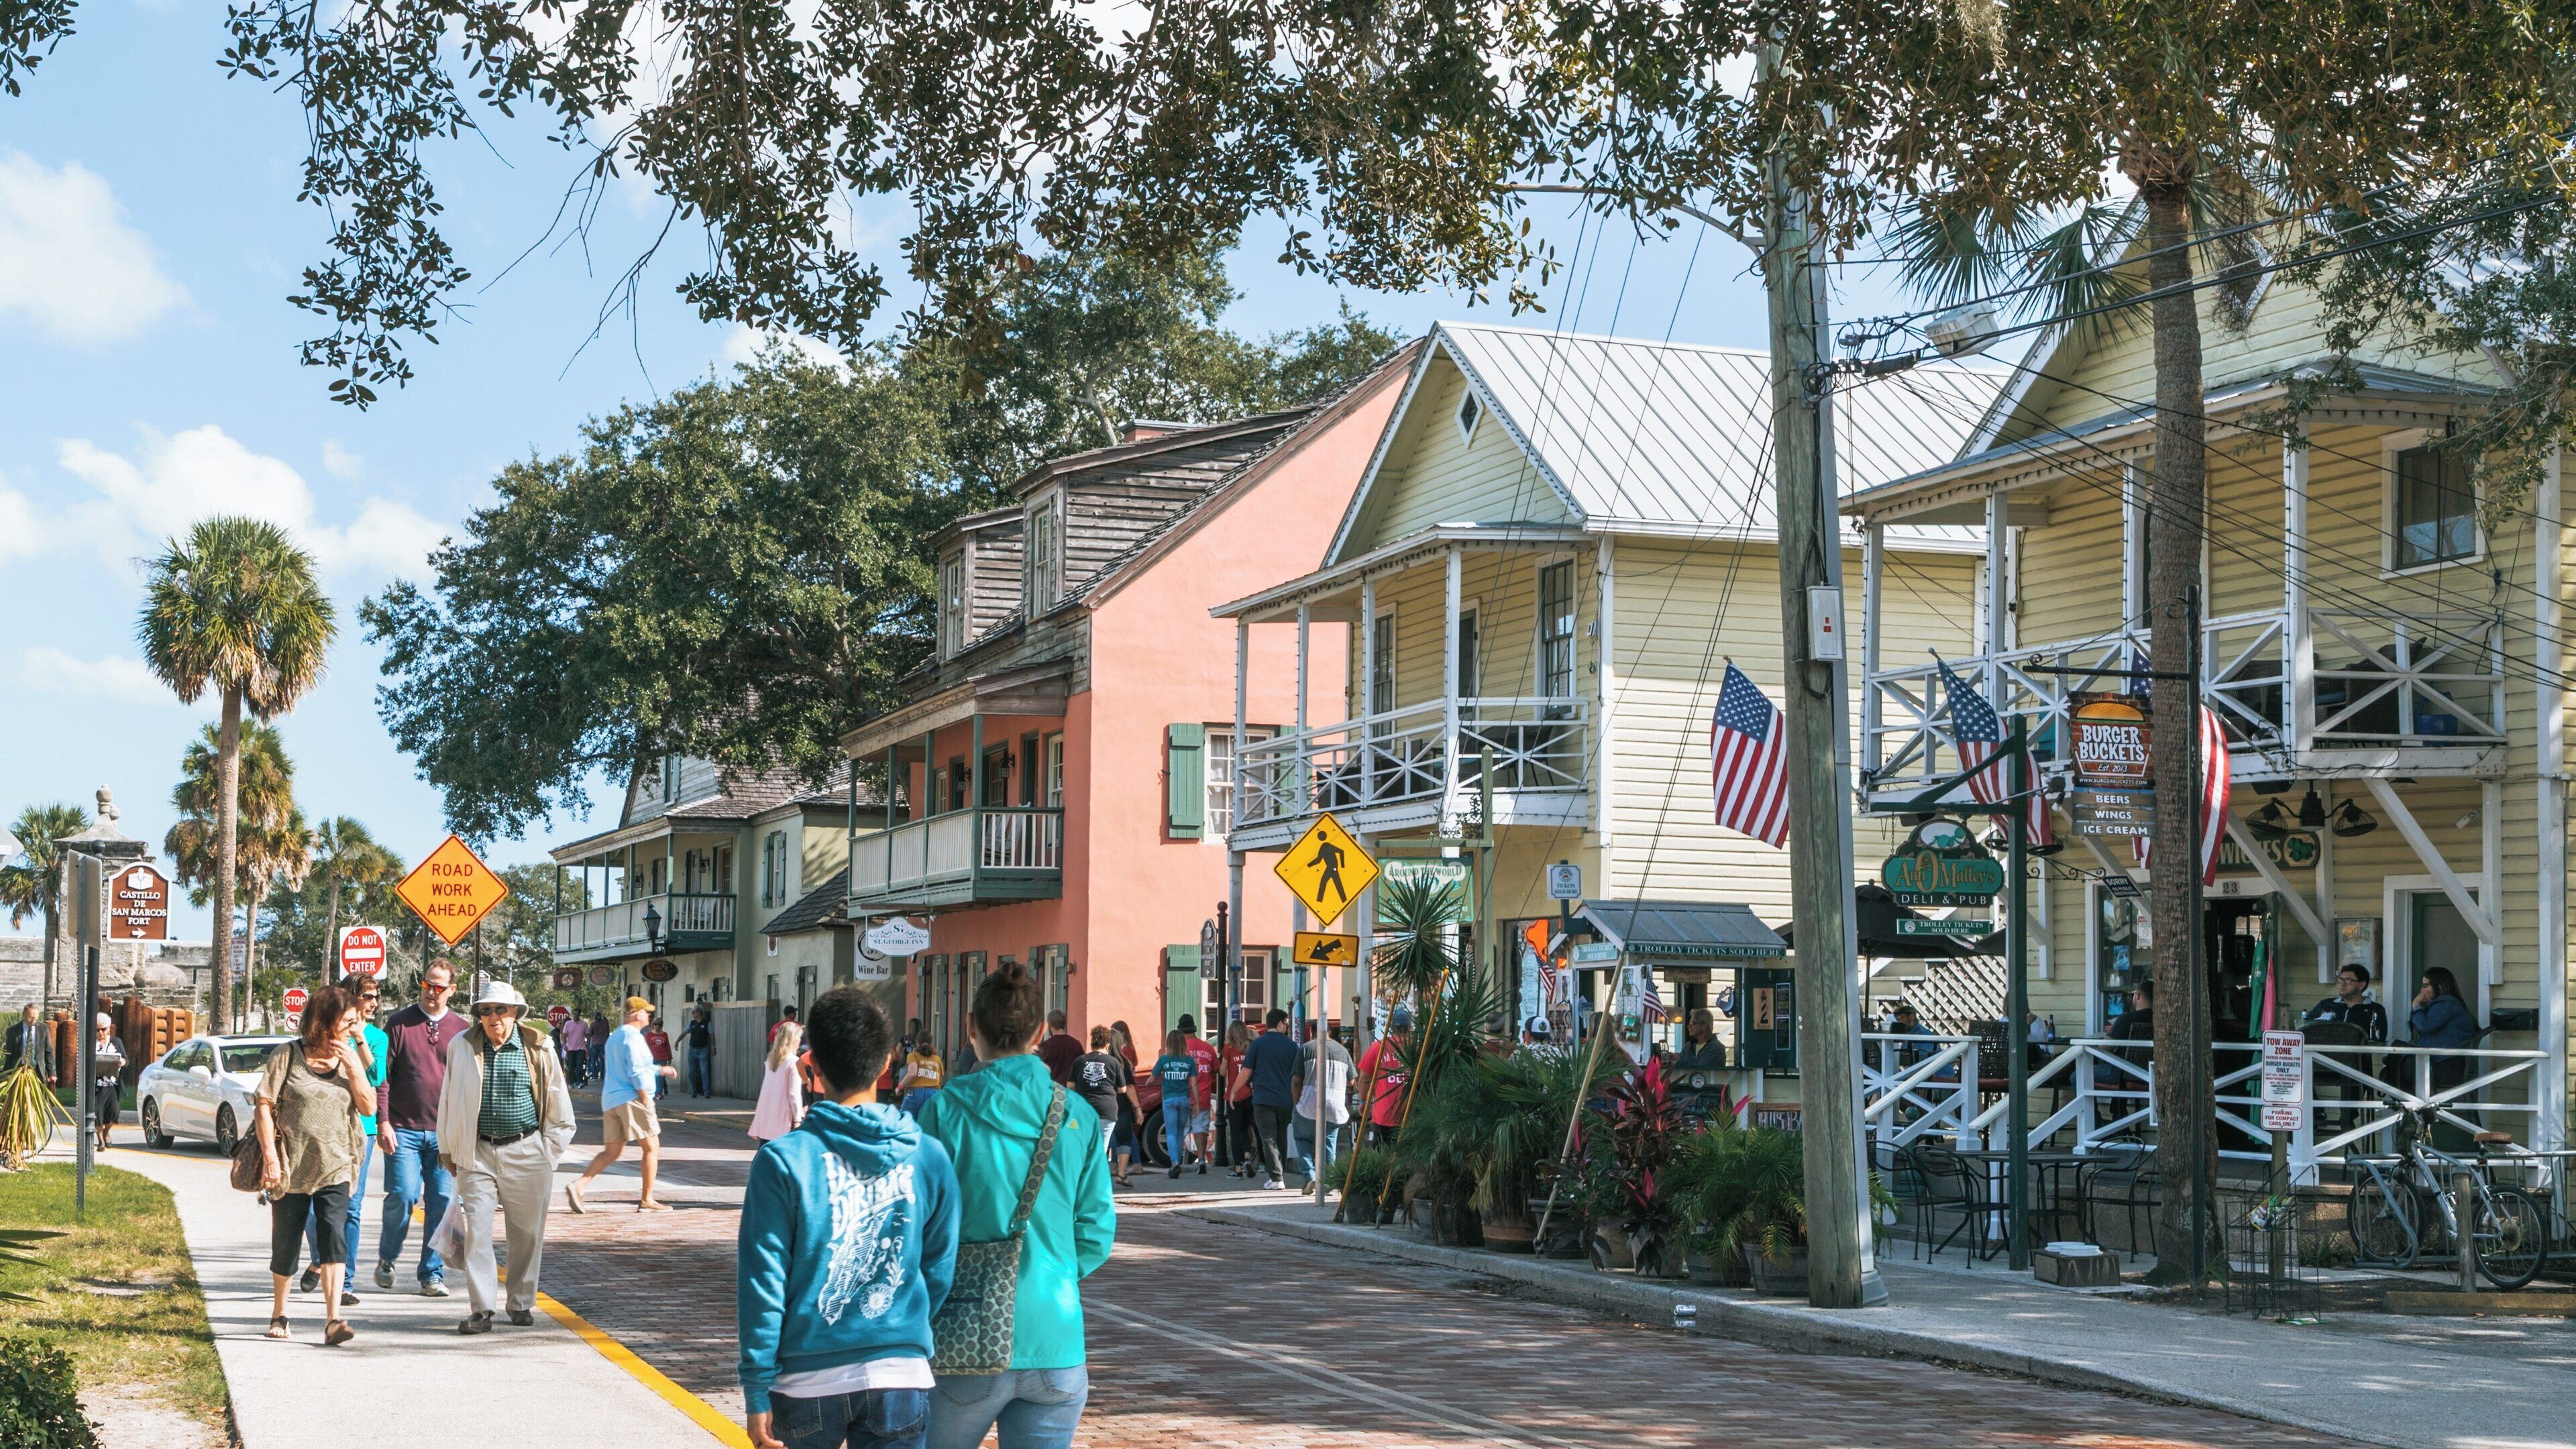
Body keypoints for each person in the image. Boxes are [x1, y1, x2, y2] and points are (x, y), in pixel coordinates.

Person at [737, 987, 961, 1449]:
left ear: (813, 1065)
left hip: (804, 1381)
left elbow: (764, 1284)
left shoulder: (782, 1161)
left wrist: (757, 1386)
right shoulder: (929, 1155)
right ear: (885, 1066)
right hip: (899, 1371)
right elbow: (938, 1269)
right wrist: (900, 1321)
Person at [916, 962, 1114, 1449]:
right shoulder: (1077, 1114)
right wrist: (1051, 1271)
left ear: (970, 1027)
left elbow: (918, 1228)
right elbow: (1095, 1232)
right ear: (1041, 1033)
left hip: (963, 1337)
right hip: (1056, 1336)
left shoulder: (944, 1110)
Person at [437, 980, 576, 1334]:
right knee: (478, 1234)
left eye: (501, 1009)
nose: (493, 1017)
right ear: (479, 1015)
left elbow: (560, 1104)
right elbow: (448, 1099)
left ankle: (520, 1302)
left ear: (515, 1012)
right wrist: (447, 1147)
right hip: (478, 1152)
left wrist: (550, 1153)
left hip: (527, 1149)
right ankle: (482, 1310)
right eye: (486, 1010)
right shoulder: (461, 1045)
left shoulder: (540, 1047)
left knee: (526, 1234)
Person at [254, 983, 372, 1346]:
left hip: (336, 1164)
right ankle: (280, 1312)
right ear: (323, 1022)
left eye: (355, 1022)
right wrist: (271, 1159)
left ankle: (334, 1319)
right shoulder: (287, 1056)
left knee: (333, 1235)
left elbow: (369, 1108)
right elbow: (264, 1106)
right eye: (347, 1022)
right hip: (291, 1166)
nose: (353, 1029)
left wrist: (354, 1067)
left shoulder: (351, 1059)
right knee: (286, 1242)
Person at [376, 959, 471, 1296]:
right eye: (428, 985)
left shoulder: (462, 1029)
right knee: (402, 1197)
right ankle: (387, 1257)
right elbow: (383, 1078)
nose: (433, 992)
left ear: (452, 990)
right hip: (403, 1128)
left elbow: (467, 1083)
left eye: (440, 987)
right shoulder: (399, 1024)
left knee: (443, 1201)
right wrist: (383, 1120)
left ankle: (431, 1274)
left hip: (445, 1133)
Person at [303, 975, 385, 1304]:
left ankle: (345, 1282)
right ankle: (324, 1257)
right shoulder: (323, 1034)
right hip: (319, 1128)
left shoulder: (376, 1037)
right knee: (310, 1206)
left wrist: (359, 1039)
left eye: (377, 996)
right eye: (367, 996)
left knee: (350, 1207)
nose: (373, 1002)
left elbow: (376, 1077)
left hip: (360, 1129)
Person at [569, 996, 680, 1213]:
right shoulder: (635, 1038)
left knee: (612, 1151)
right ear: (637, 1013)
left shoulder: (616, 1037)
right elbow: (636, 1070)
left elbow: (632, 1065)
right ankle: (647, 1199)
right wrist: (645, 1097)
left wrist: (660, 1070)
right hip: (633, 1099)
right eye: (646, 1012)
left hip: (611, 1100)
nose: (649, 1016)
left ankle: (579, 1185)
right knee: (652, 1147)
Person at [1289, 1025, 1352, 1189]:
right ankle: (1328, 1183)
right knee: (1329, 1144)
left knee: (1302, 1139)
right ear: (1330, 1033)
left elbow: (1297, 1081)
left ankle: (1310, 1176)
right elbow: (1352, 1081)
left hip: (1309, 1105)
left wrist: (1297, 1104)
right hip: (1335, 1106)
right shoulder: (1343, 1051)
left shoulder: (1306, 1048)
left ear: (1312, 1032)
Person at [1243, 1009, 1300, 1189]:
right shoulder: (1292, 1046)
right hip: (1285, 1100)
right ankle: (1279, 1174)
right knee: (1281, 1136)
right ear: (1281, 1024)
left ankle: (1276, 1178)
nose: (1287, 1027)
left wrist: (1235, 1091)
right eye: (1287, 1024)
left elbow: (1246, 1071)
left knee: (1268, 1137)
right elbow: (1298, 1076)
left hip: (1263, 1098)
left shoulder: (1258, 1044)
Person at [1070, 1027, 1132, 1181]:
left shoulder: (1080, 1061)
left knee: (1085, 1145)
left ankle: (1085, 1178)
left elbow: (1070, 1086)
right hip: (1107, 1109)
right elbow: (1123, 1088)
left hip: (1084, 1109)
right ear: (1107, 1044)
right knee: (1103, 1147)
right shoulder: (1114, 1062)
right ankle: (1097, 1181)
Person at [2410, 965, 2479, 1093]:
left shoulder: (2446, 1003)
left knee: (2398, 1065)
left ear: (2439, 986)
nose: (2422, 990)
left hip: (2445, 1065)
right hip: (2440, 1062)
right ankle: (2414, 1109)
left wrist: (2416, 1006)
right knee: (2397, 1061)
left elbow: (2425, 1027)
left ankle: (2413, 1109)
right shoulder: (2447, 1004)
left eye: (2426, 986)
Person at [1354, 1008, 1413, 1148]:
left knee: (1381, 1158)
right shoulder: (1418, 1048)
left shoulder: (1378, 1048)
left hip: (1383, 1115)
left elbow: (1364, 1079)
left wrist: (1363, 1101)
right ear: (1410, 1027)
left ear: (1391, 1028)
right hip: (1411, 1113)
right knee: (1405, 1161)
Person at [751, 1019, 808, 1144]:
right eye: (799, 1038)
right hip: (784, 1119)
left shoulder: (771, 1060)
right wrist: (798, 1119)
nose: (800, 1041)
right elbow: (794, 1094)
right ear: (793, 1040)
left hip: (768, 1116)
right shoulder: (793, 1062)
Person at [1151, 1032, 1199, 1180]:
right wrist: (1196, 1103)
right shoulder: (1189, 1061)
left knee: (1170, 1132)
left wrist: (1148, 1083)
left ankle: (1175, 1163)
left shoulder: (1164, 1060)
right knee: (1180, 1133)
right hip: (1184, 1100)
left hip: (1169, 1101)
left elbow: (1152, 1078)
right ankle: (1176, 1164)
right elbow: (1195, 1084)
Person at [2306, 963, 2390, 1043]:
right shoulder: (2325, 1005)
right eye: (2341, 979)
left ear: (2361, 985)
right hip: (2323, 1057)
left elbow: (2380, 1039)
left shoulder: (2375, 1010)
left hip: (2358, 1057)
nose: (2342, 984)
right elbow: (2304, 1029)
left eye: (2348, 980)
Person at [1177, 1014, 1216, 1172]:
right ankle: (1201, 1159)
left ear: (1180, 1031)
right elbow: (1215, 1069)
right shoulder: (1207, 1048)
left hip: (1183, 1095)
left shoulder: (1178, 1049)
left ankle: (1176, 1161)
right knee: (1201, 1129)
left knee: (1179, 1129)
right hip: (1203, 1095)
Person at [89, 1012, 126, 1154]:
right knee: (98, 1114)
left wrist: (122, 1062)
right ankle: (101, 1141)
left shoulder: (116, 1043)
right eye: (97, 1030)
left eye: (103, 1029)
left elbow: (126, 1059)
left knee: (114, 1113)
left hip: (112, 1085)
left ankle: (107, 1132)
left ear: (109, 1029)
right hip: (97, 1086)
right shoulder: (92, 1044)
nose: (100, 1033)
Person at [1221, 1022, 1256, 1172]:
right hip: (1250, 1094)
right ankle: (1247, 1155)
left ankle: (1237, 1168)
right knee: (1245, 1128)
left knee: (1235, 1131)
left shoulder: (1228, 1048)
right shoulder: (1251, 1047)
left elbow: (1222, 1072)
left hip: (1233, 1096)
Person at [898, 1034, 947, 1115]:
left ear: (917, 1043)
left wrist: (900, 1087)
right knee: (930, 1123)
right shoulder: (937, 1059)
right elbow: (940, 1079)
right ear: (931, 1042)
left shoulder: (913, 1055)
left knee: (907, 1121)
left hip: (914, 1093)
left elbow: (912, 1074)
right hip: (933, 1093)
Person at [3, 1002, 50, 1084]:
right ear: (23, 1015)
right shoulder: (12, 1031)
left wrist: (52, 1073)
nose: (32, 1021)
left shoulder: (43, 1029)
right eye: (30, 1018)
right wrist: (7, 1074)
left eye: (35, 1018)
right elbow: (9, 1054)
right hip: (19, 1071)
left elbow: (49, 1051)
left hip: (38, 1070)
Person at [1036, 1011, 1082, 1083]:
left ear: (1050, 1025)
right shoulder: (1076, 1044)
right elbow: (1081, 1068)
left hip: (1052, 1089)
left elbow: (1038, 1070)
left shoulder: (1045, 1046)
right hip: (1071, 1090)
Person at [686, 1004, 718, 1098]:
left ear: (699, 1013)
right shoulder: (692, 1023)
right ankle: (694, 1091)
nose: (692, 1013)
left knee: (704, 1071)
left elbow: (712, 1036)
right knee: (691, 1072)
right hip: (692, 1049)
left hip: (703, 1049)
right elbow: (685, 1032)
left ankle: (707, 1092)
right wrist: (677, 1041)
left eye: (694, 1012)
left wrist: (713, 1048)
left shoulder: (707, 1023)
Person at [646, 1013, 676, 1099]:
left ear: (662, 1026)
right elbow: (646, 1047)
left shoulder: (664, 1035)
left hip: (662, 1058)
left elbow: (667, 1046)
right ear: (653, 1025)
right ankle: (656, 1091)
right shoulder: (649, 1035)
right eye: (655, 1024)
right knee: (653, 1076)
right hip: (652, 1058)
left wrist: (670, 1057)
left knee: (661, 1077)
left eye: (659, 1025)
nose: (657, 1026)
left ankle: (659, 1093)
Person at [561, 1010, 590, 1088]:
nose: (575, 1016)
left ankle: (580, 1081)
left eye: (577, 1015)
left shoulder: (583, 1025)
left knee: (579, 1065)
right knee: (571, 1066)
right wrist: (565, 1044)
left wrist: (587, 1047)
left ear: (579, 1015)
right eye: (574, 1014)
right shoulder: (568, 1024)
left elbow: (588, 1035)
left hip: (581, 1048)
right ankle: (571, 1082)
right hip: (571, 1048)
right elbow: (564, 1035)